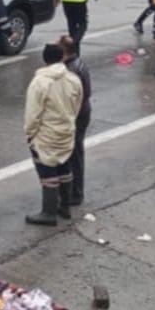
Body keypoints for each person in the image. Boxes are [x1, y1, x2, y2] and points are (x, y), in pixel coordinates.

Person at [22, 42, 83, 225]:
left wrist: (30, 133)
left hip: (46, 133)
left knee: (47, 171)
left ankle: (48, 213)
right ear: (62, 57)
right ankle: (65, 206)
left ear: (44, 59)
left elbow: (33, 113)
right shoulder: (73, 79)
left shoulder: (40, 82)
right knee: (64, 166)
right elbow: (77, 104)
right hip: (67, 131)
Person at [59, 35, 91, 206]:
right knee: (75, 153)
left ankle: (75, 193)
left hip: (76, 116)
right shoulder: (77, 64)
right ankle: (72, 191)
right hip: (82, 113)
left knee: (74, 154)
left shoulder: (70, 71)